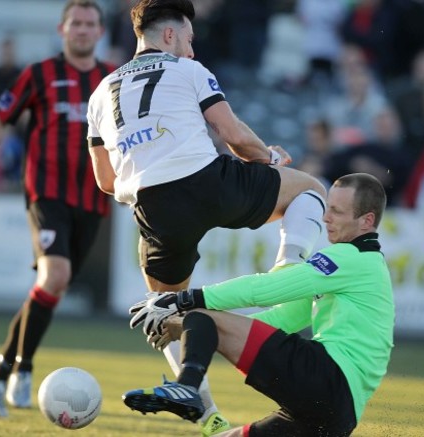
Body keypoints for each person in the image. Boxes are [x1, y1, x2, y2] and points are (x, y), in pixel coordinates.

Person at [86, 0, 327, 434]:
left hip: (153, 206)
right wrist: (269, 157)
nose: (194, 51)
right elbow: (234, 137)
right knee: (310, 189)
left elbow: (104, 180)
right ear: (171, 35)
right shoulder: (189, 71)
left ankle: (207, 414)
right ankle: (289, 277)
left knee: (161, 311)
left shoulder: (101, 93)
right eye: (191, 40)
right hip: (207, 182)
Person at [124, 173, 394, 437]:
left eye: (336, 211)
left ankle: (188, 388)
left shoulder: (351, 258)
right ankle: (188, 390)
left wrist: (187, 299)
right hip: (335, 415)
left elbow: (269, 289)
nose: (326, 217)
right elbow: (288, 317)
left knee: (201, 312)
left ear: (366, 221)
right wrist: (202, 332)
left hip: (327, 379)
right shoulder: (365, 264)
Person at [0, 0, 116, 418]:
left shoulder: (112, 80)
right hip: (46, 192)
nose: (82, 30)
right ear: (62, 29)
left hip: (93, 198)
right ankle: (24, 368)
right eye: (76, 24)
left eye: (89, 24)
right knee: (57, 274)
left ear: (100, 32)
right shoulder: (39, 74)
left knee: (53, 287)